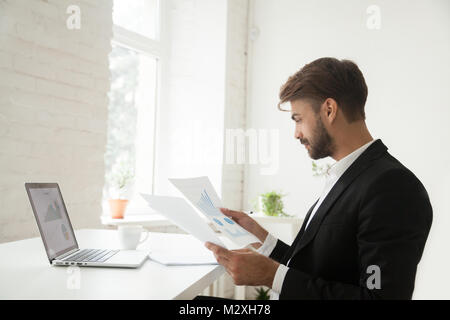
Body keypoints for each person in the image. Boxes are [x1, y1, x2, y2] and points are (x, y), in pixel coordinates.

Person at [204, 57, 433, 299]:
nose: (296, 134)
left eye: (298, 119)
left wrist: (272, 276)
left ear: (329, 110)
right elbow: (318, 269)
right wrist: (264, 241)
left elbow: (379, 298)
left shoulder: (393, 187)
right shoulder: (347, 175)